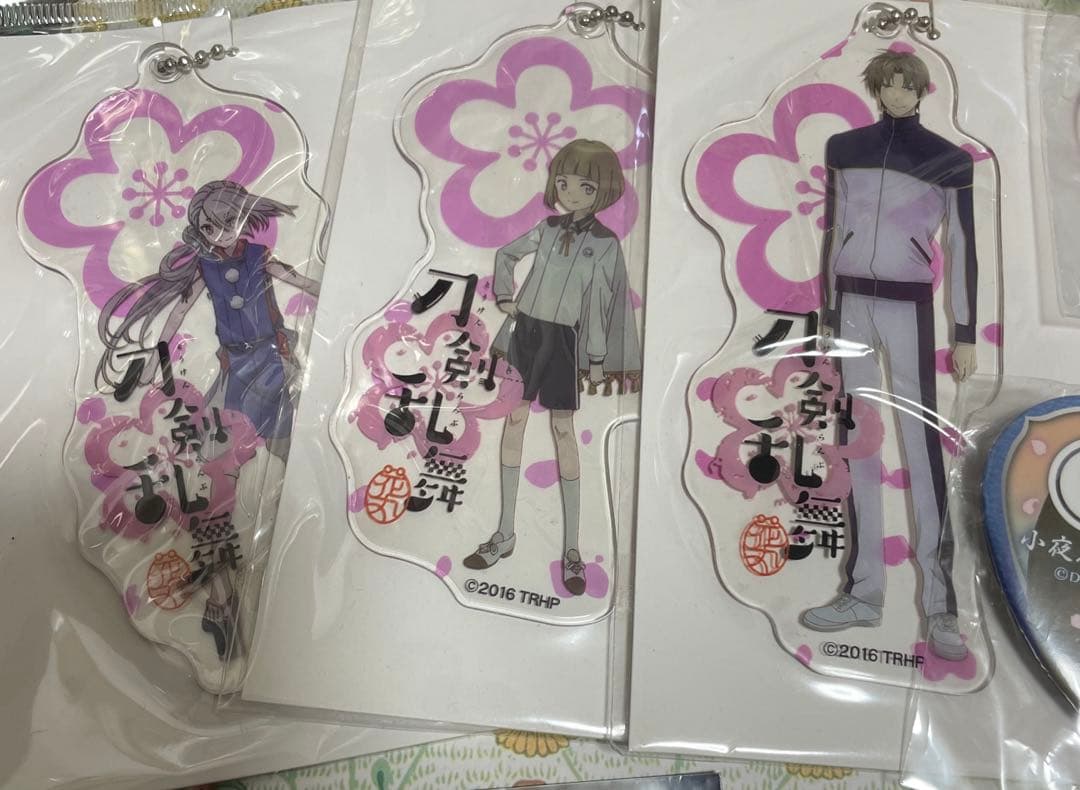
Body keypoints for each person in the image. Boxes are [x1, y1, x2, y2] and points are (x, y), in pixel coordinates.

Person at [800, 52, 977, 662]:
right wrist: (828, 314)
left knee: (921, 449)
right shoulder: (844, 148)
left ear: (923, 90)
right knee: (859, 444)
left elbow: (963, 244)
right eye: (888, 85)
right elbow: (833, 228)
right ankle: (864, 590)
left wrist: (965, 331)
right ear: (876, 89)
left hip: (909, 308)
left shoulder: (949, 159)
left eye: (907, 85)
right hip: (850, 304)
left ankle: (941, 606)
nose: (897, 94)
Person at [97, 179, 320, 658]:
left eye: (226, 222)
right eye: (208, 226)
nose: (219, 233)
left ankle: (274, 581)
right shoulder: (205, 268)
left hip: (272, 366)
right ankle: (222, 598)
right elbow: (178, 314)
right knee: (214, 481)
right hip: (236, 371)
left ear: (243, 219)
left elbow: (304, 283)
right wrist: (156, 359)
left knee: (292, 461)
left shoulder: (259, 257)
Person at [462, 139, 640, 595]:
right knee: (514, 420)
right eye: (563, 182)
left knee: (563, 429)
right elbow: (506, 254)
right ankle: (505, 532)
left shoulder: (605, 244)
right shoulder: (546, 228)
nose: (570, 192)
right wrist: (506, 297)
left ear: (602, 190)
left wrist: (596, 359)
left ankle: (572, 549)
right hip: (527, 332)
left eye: (583, 186)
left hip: (564, 341)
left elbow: (601, 302)